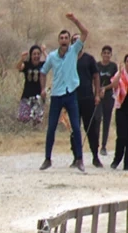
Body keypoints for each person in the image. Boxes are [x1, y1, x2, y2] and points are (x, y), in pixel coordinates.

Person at [39, 13, 89, 172]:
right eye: (61, 38)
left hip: (71, 94)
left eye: (66, 38)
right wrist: (42, 89)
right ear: (58, 40)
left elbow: (85, 33)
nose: (64, 40)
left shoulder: (74, 51)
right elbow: (43, 71)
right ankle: (47, 159)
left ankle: (79, 159)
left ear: (69, 40)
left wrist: (75, 20)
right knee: (51, 127)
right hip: (56, 95)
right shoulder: (52, 56)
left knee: (75, 126)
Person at [69, 33, 102, 167]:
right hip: (72, 98)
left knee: (91, 128)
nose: (77, 42)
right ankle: (76, 157)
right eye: (74, 40)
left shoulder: (89, 59)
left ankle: (95, 156)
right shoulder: (69, 59)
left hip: (87, 98)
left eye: (78, 40)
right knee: (74, 129)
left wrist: (97, 94)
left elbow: (96, 76)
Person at [101, 54, 128, 169]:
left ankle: (127, 163)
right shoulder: (121, 74)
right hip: (121, 108)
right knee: (121, 136)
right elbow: (115, 85)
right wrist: (120, 72)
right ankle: (117, 159)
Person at [97, 45, 119, 156]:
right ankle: (95, 144)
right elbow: (94, 79)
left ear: (110, 55)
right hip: (98, 96)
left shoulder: (113, 67)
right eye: (104, 52)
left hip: (108, 95)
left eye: (108, 53)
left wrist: (105, 88)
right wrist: (97, 91)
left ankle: (104, 146)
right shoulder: (97, 66)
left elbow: (115, 82)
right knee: (97, 119)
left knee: (106, 120)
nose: (106, 55)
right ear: (101, 54)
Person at [16, 45, 46, 125]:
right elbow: (18, 67)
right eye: (34, 54)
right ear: (31, 55)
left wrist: (44, 52)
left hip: (38, 95)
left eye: (38, 54)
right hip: (27, 94)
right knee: (23, 118)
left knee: (37, 120)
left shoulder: (43, 65)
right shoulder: (26, 65)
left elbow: (51, 62)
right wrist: (22, 59)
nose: (36, 56)